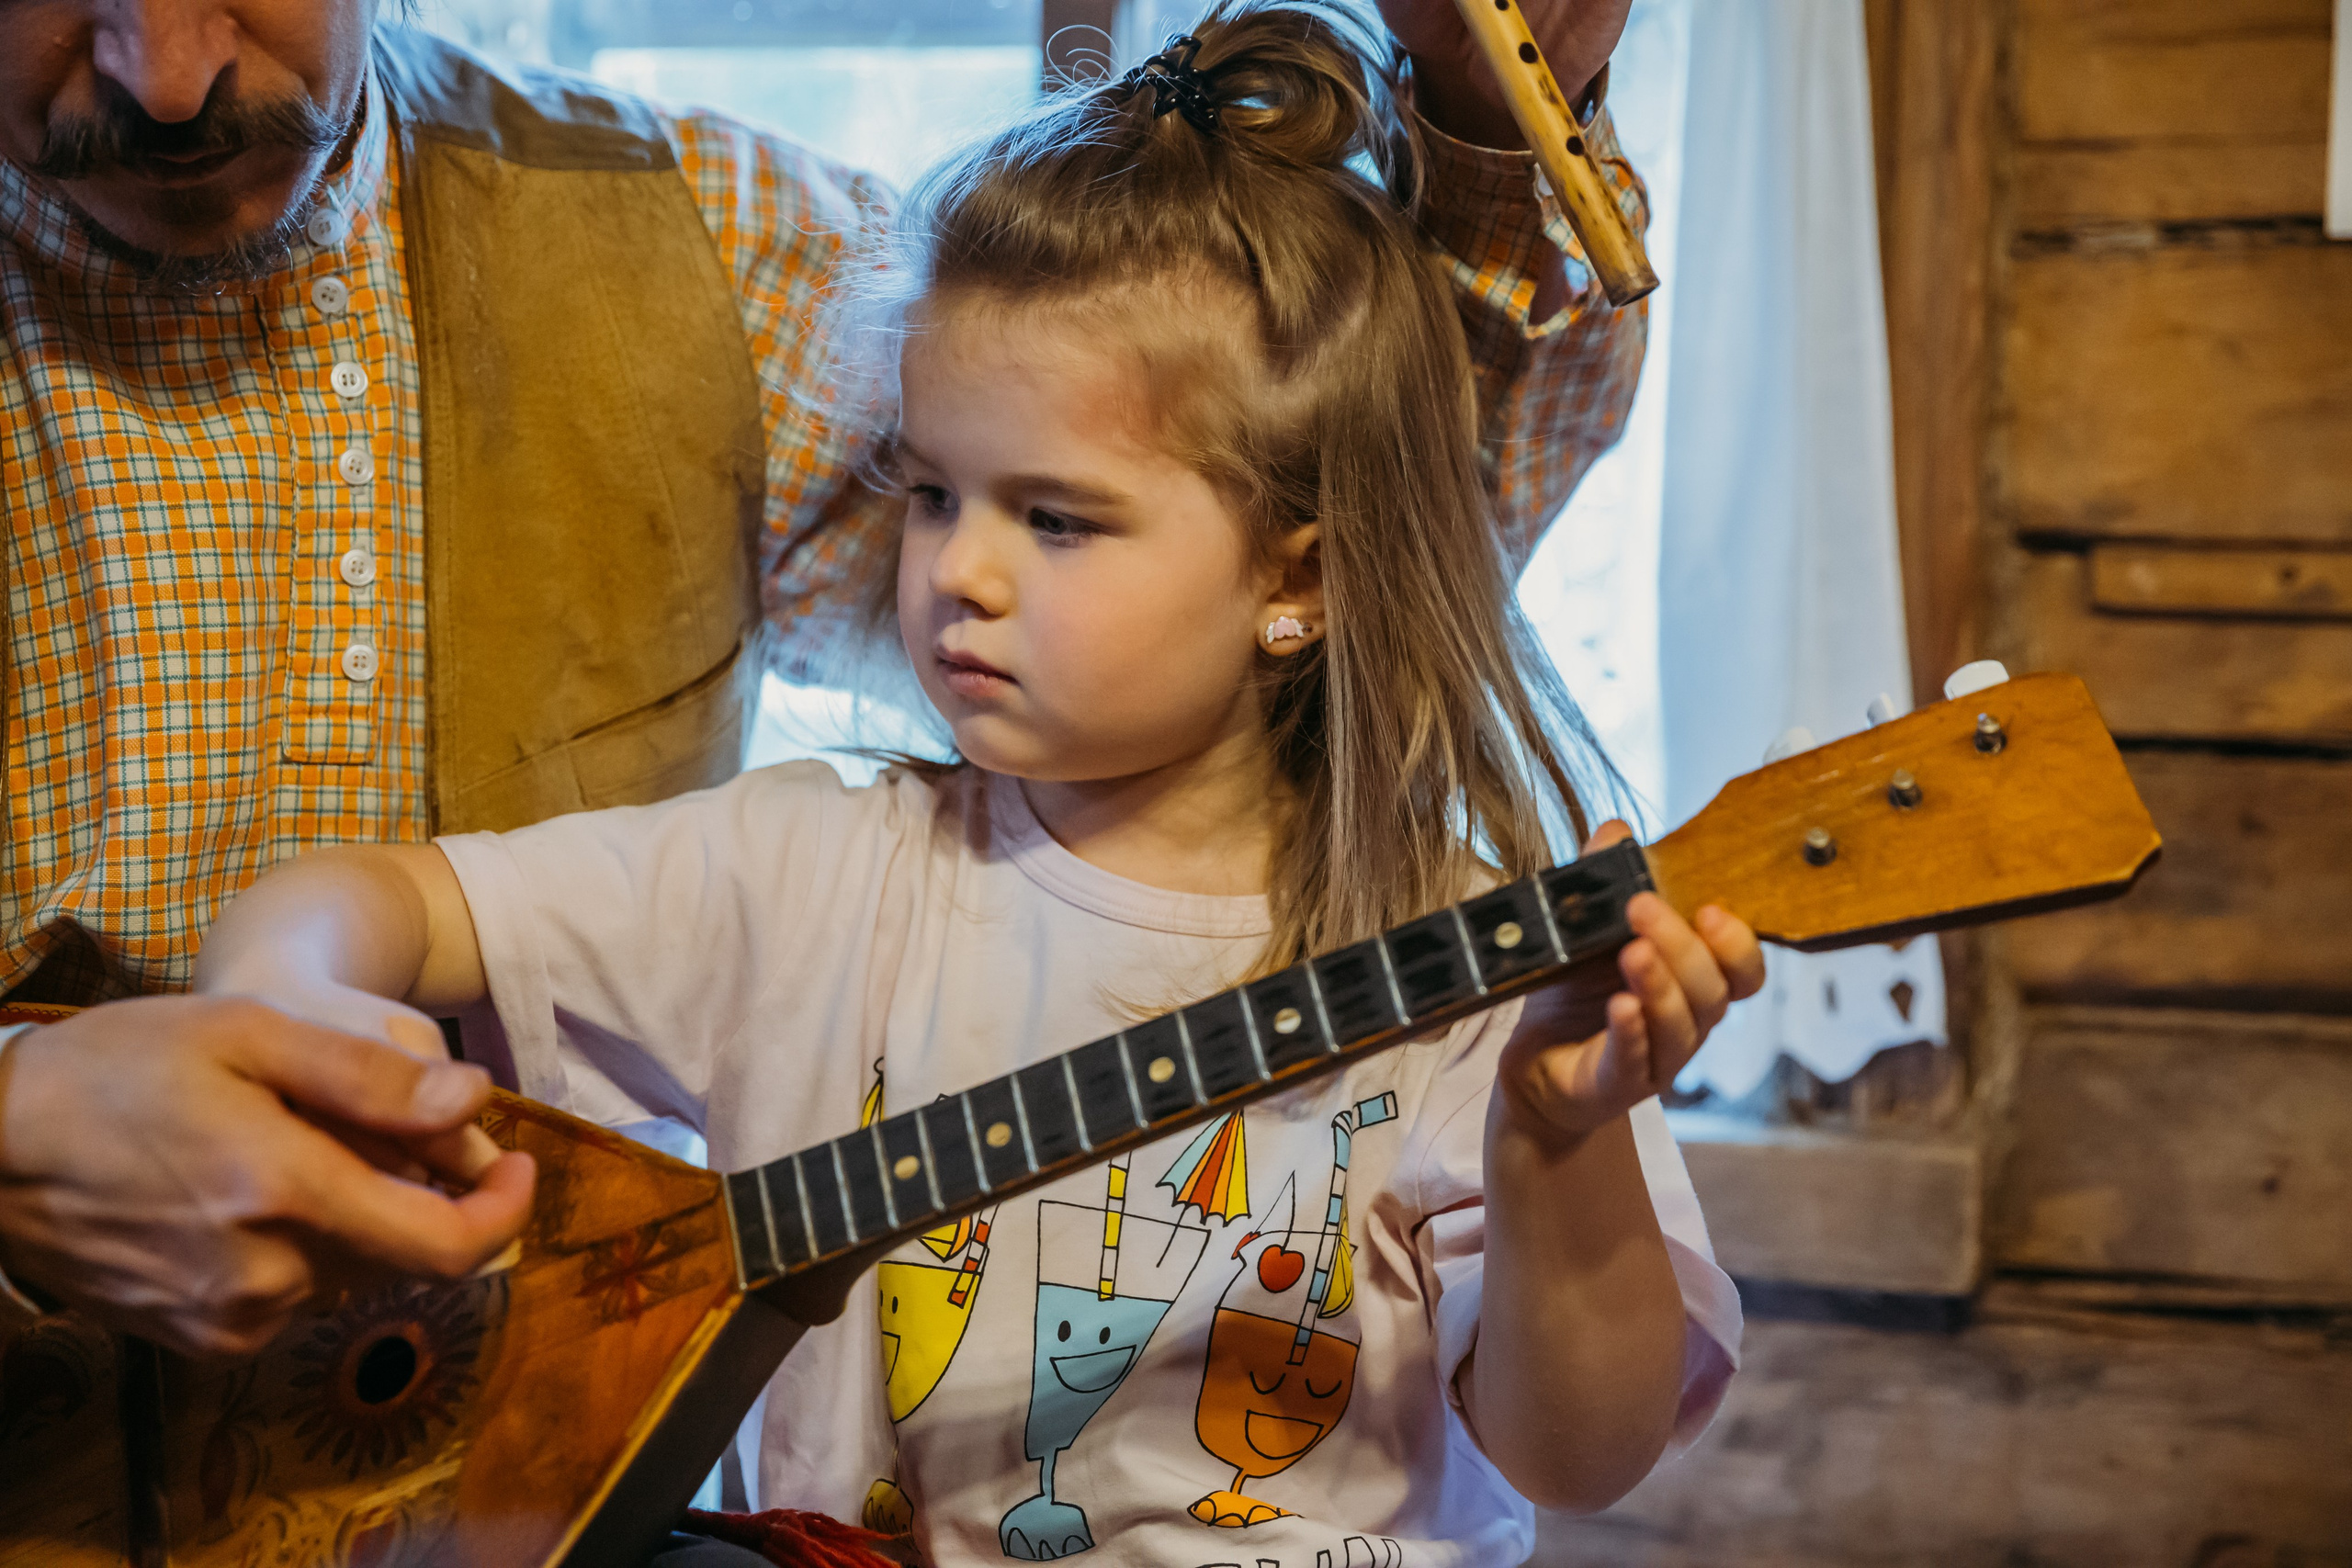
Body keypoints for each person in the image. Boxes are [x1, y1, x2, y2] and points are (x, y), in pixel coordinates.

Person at [185, 6, 1763, 1561]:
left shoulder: (1477, 961)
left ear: (1304, 579)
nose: (957, 574)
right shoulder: (804, 874)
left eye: (1058, 520)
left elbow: (1580, 1450)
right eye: (935, 493)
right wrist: (283, 999)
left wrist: (1561, 1141)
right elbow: (380, 899)